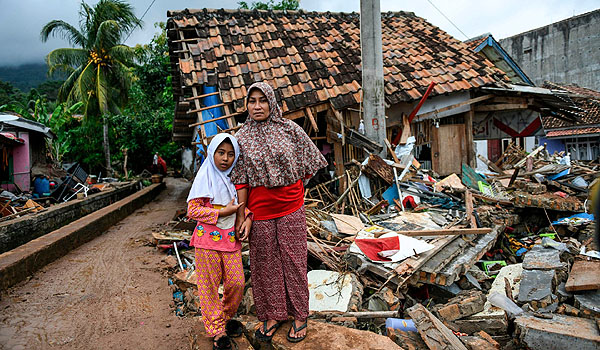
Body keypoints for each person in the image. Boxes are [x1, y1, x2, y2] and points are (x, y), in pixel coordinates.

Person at [230, 82, 327, 343]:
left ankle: (299, 315)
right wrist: (242, 215)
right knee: (264, 264)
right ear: (246, 105)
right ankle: (273, 314)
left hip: (291, 207)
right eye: (252, 101)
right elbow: (240, 180)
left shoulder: (290, 130)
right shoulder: (241, 138)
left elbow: (309, 164)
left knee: (294, 261)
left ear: (272, 102)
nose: (257, 106)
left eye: (263, 100)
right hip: (259, 212)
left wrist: (292, 187)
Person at [186, 133, 253, 350]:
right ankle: (217, 331)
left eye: (231, 154)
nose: (225, 158)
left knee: (236, 283)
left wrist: (248, 219)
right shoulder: (205, 177)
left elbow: (244, 207)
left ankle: (223, 317)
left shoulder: (235, 180)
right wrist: (222, 213)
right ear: (212, 153)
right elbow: (193, 210)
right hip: (207, 242)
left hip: (230, 240)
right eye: (221, 153)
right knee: (209, 287)